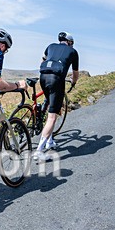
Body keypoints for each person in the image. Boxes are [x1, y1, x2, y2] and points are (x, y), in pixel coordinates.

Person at [34, 32, 80, 160]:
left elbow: (43, 60)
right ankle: (39, 151)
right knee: (52, 116)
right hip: (57, 79)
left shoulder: (50, 46)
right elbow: (75, 74)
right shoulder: (73, 52)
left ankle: (49, 141)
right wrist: (73, 82)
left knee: (50, 106)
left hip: (43, 77)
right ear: (69, 43)